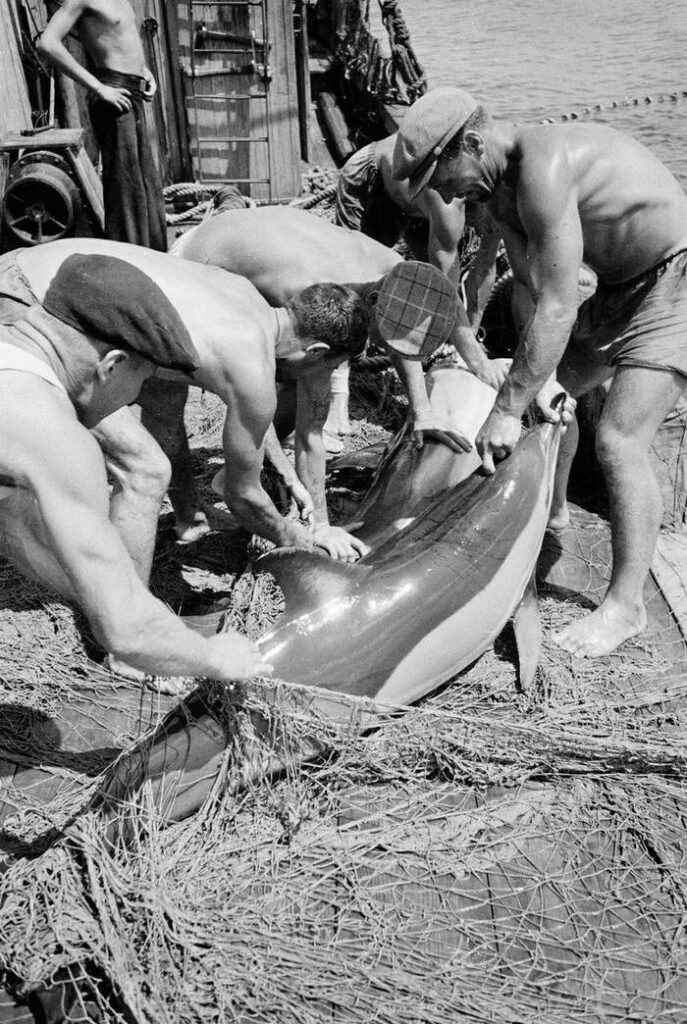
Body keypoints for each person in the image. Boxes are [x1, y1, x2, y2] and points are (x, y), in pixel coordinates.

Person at [393, 85, 687, 659]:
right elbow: (530, 292)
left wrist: (503, 408)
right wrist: (538, 382)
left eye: (444, 176)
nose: (446, 194)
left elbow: (558, 304)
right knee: (544, 402)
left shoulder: (544, 166)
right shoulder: (502, 193)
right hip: (620, 289)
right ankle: (553, 513)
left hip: (675, 283)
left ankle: (625, 607)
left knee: (619, 438)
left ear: (473, 142)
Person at [0, 236, 369, 565]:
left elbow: (250, 419)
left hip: (22, 264)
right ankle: (132, 629)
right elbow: (243, 494)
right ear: (317, 351)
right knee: (144, 470)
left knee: (162, 400)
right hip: (30, 305)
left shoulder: (241, 295)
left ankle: (186, 523)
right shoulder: (253, 364)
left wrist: (298, 489)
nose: (321, 380)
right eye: (329, 369)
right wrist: (302, 540)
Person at [172, 204, 510, 553]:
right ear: (371, 302)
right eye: (384, 340)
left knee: (293, 375)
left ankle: (246, 467)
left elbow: (430, 308)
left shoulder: (401, 274)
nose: (386, 349)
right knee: (173, 399)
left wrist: (445, 391)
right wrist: (321, 524)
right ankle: (190, 514)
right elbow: (311, 434)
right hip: (198, 262)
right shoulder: (313, 295)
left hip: (251, 236)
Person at [0, 253, 268, 689]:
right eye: (141, 385)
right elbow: (125, 632)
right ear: (113, 365)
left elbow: (17, 530)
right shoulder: (53, 434)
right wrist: (216, 657)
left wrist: (107, 586)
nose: (133, 402)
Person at [37, 0, 168, 251]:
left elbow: (123, 40)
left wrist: (145, 72)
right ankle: (127, 263)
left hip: (135, 93)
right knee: (126, 190)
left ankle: (156, 258)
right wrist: (98, 87)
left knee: (146, 185)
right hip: (113, 93)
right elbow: (48, 43)